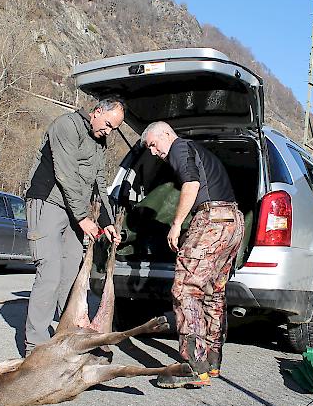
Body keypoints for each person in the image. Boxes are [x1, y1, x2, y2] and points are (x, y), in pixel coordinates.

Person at [141, 121, 244, 388]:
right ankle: (211, 362)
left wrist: (176, 224)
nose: (153, 152)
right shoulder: (198, 151)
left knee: (185, 289)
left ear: (165, 134)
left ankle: (192, 366)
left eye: (153, 144)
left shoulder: (179, 147)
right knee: (213, 292)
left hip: (211, 221)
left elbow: (191, 183)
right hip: (233, 221)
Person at [23, 98, 124, 355]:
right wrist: (83, 218)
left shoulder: (99, 140)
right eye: (108, 125)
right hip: (47, 201)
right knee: (50, 273)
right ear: (97, 111)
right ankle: (34, 347)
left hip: (74, 211)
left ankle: (67, 337)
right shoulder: (66, 126)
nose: (108, 132)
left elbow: (99, 182)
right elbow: (65, 174)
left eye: (114, 129)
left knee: (72, 276)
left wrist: (107, 222)